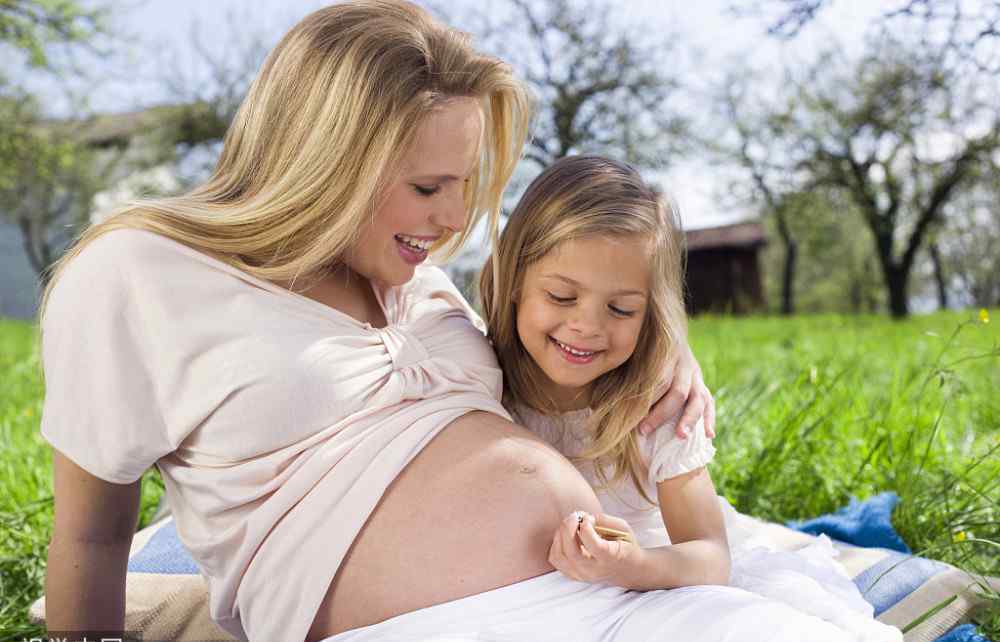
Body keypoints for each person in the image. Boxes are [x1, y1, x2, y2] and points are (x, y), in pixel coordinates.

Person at [39, 3, 718, 642]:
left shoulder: (412, 276)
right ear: (324, 161)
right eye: (427, 188)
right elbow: (92, 536)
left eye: (464, 184)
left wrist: (663, 351)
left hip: (613, 594)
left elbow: (558, 348)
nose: (454, 219)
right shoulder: (141, 274)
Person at [479, 155, 903, 642]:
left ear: (649, 311)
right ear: (514, 283)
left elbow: (710, 554)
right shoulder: (480, 382)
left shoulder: (657, 409)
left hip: (660, 587)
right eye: (561, 297)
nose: (589, 326)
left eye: (621, 308)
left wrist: (634, 565)